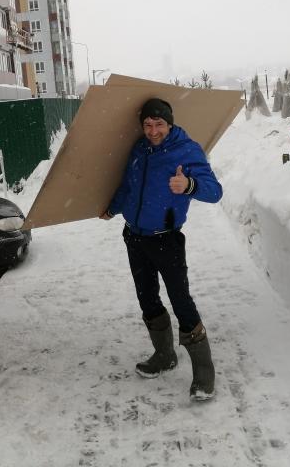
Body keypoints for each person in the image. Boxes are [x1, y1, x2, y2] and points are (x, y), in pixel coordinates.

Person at [100, 98, 223, 401]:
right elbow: (129, 187)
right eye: (148, 124)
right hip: (135, 237)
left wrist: (189, 185)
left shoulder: (187, 150)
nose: (153, 130)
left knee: (182, 302)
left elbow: (215, 192)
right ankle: (164, 355)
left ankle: (204, 374)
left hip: (166, 239)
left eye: (159, 124)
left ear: (170, 124)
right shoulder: (140, 149)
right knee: (147, 299)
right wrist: (112, 209)